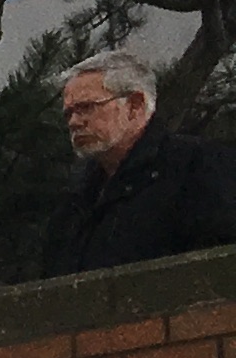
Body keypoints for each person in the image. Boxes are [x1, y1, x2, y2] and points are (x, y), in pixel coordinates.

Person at [45, 52, 236, 276]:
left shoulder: (199, 167)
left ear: (135, 105)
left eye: (87, 107)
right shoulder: (77, 198)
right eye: (69, 113)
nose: (74, 122)